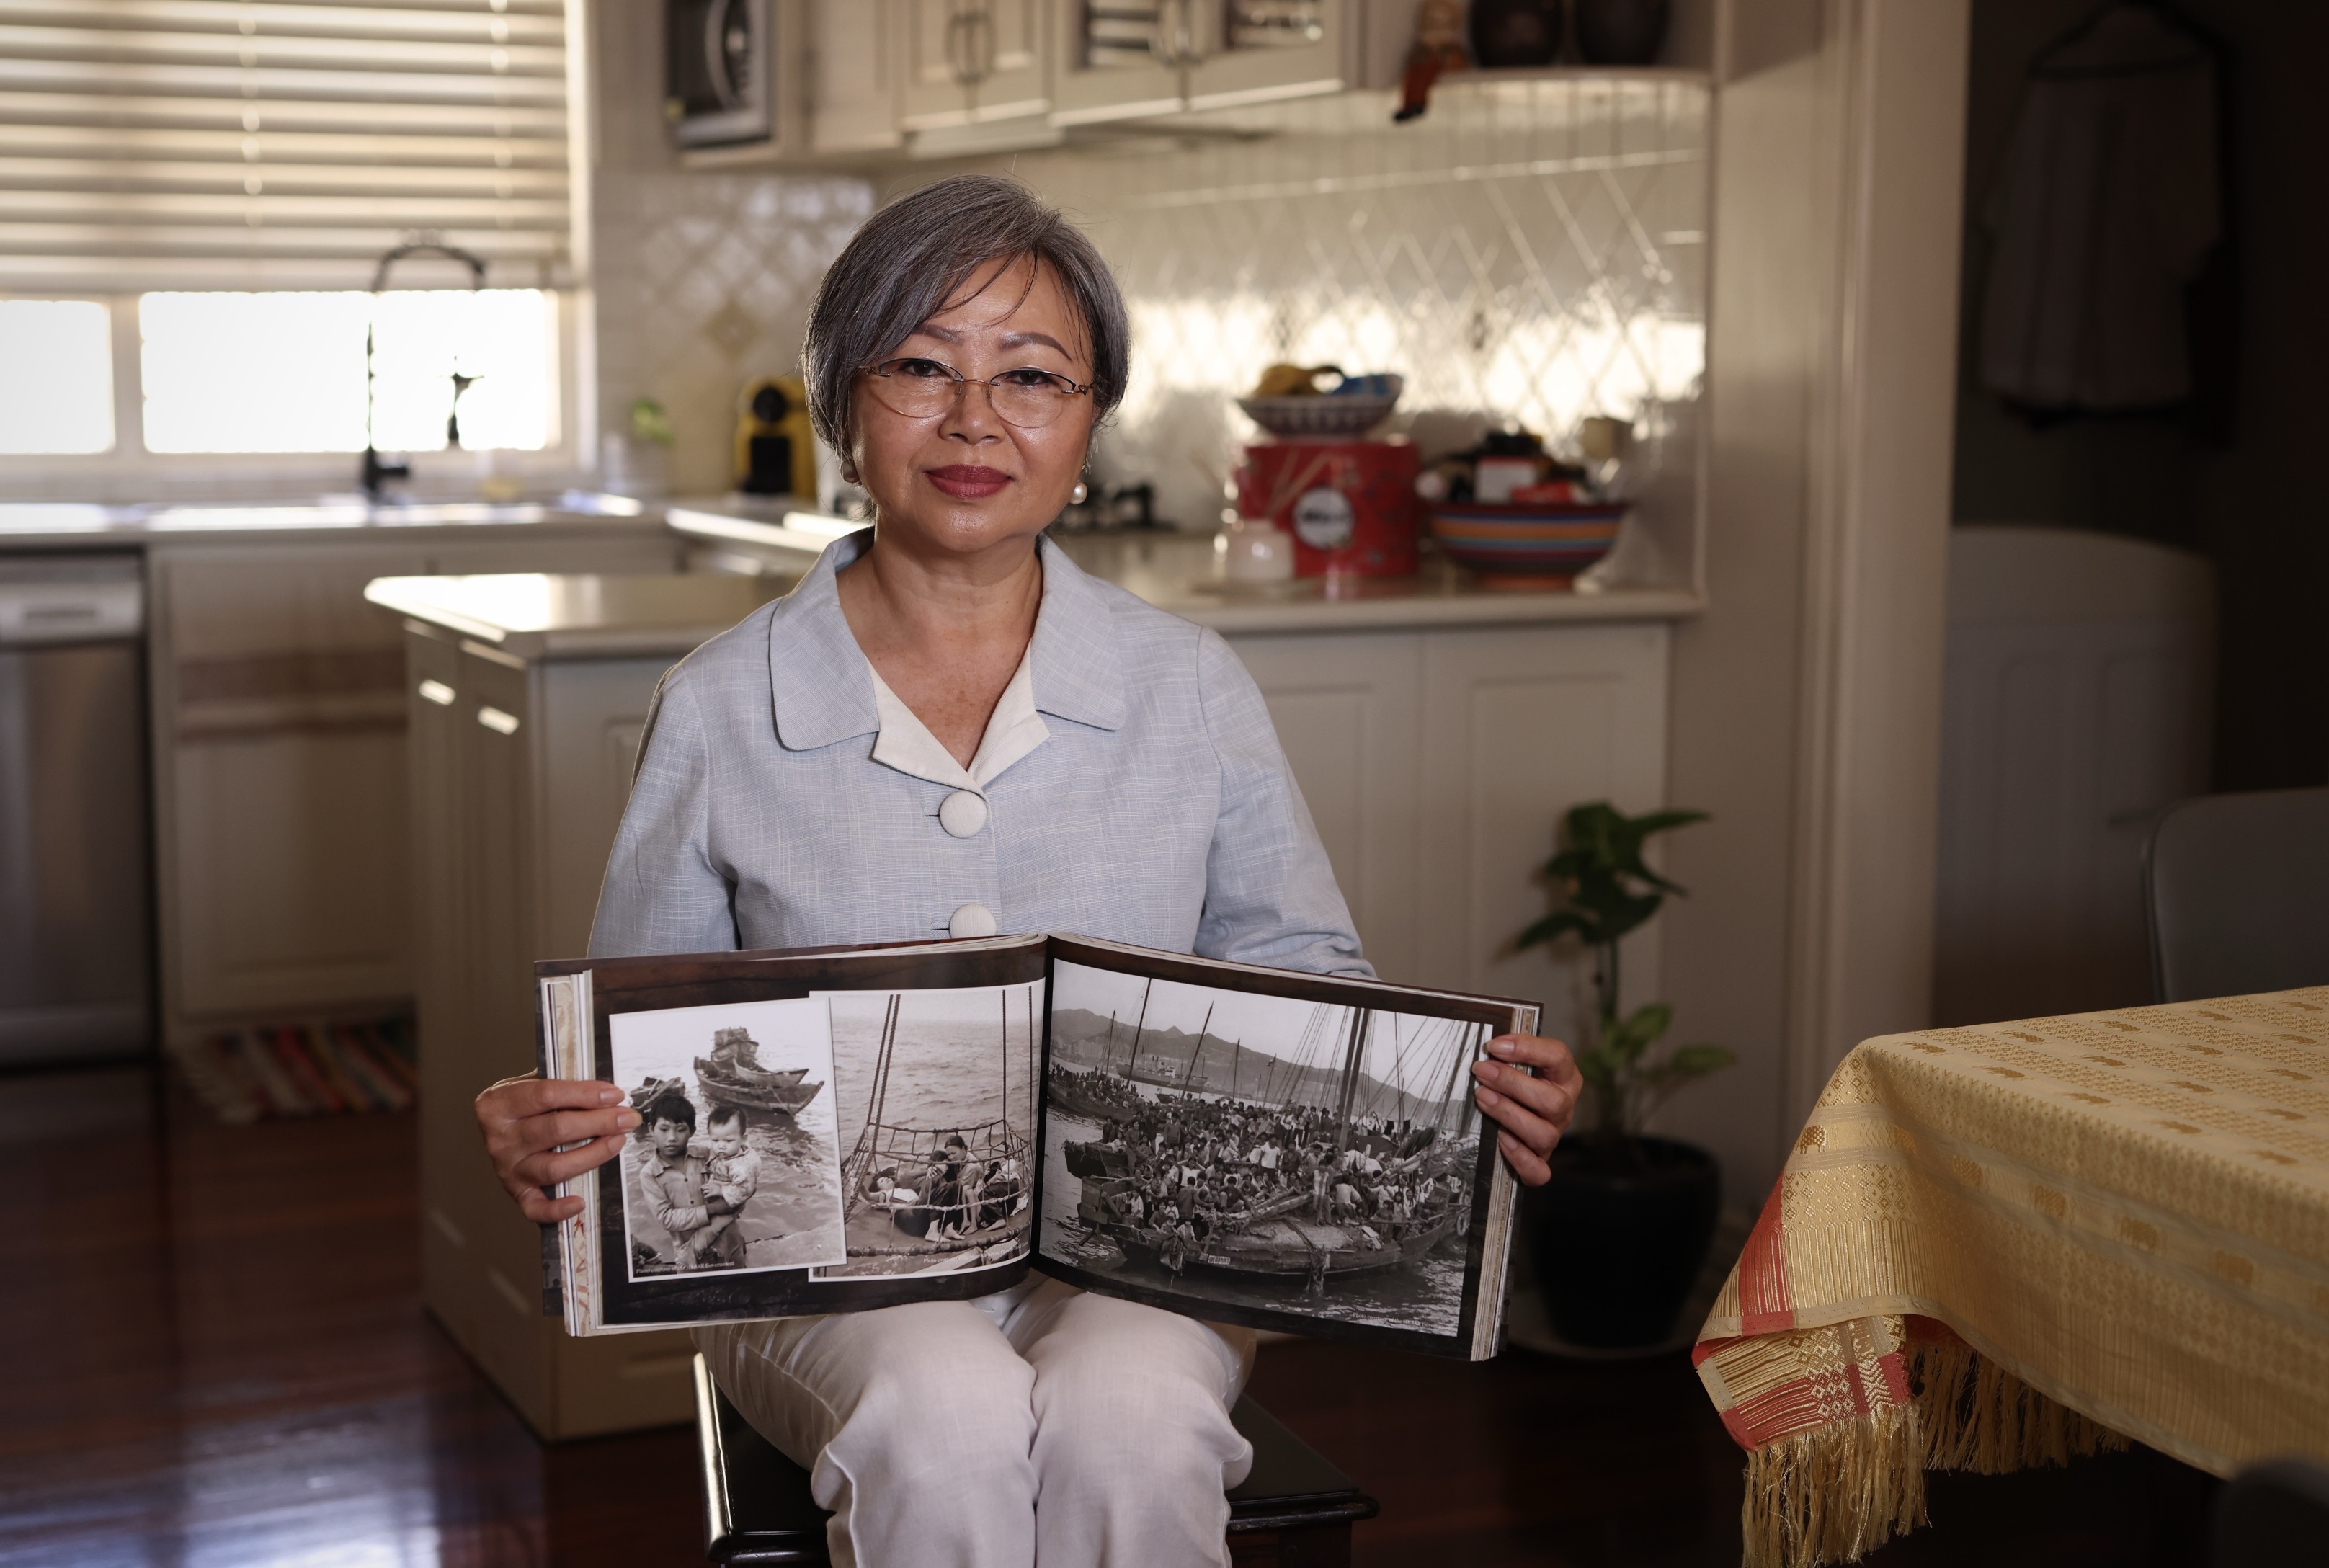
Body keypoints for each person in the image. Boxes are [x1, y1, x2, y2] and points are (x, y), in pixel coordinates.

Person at [471, 173, 1581, 1568]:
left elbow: (1307, 978)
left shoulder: (1190, 685)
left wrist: (1475, 1089)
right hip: (819, 1273)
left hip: (1131, 1266)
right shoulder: (721, 702)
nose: (975, 419)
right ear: (843, 403)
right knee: (943, 1411)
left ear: (1092, 413)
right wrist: (554, 1115)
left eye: (1034, 375)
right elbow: (643, 1039)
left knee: (1134, 1414)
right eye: (922, 367)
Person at [634, 1091, 718, 1270]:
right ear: (651, 1129)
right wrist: (711, 1210)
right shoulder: (649, 1174)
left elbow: (733, 1179)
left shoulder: (706, 1155)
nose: (672, 1137)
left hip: (724, 1241)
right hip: (687, 1254)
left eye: (680, 1130)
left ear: (692, 1131)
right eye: (664, 1130)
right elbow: (667, 1218)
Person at [694, 1103, 760, 1268]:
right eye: (715, 1140)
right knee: (729, 1230)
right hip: (725, 1189)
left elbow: (745, 1189)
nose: (721, 1146)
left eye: (728, 1140)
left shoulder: (740, 1166)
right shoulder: (729, 1152)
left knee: (720, 1231)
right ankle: (739, 1246)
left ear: (744, 1139)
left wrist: (721, 1190)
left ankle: (735, 1262)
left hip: (732, 1198)